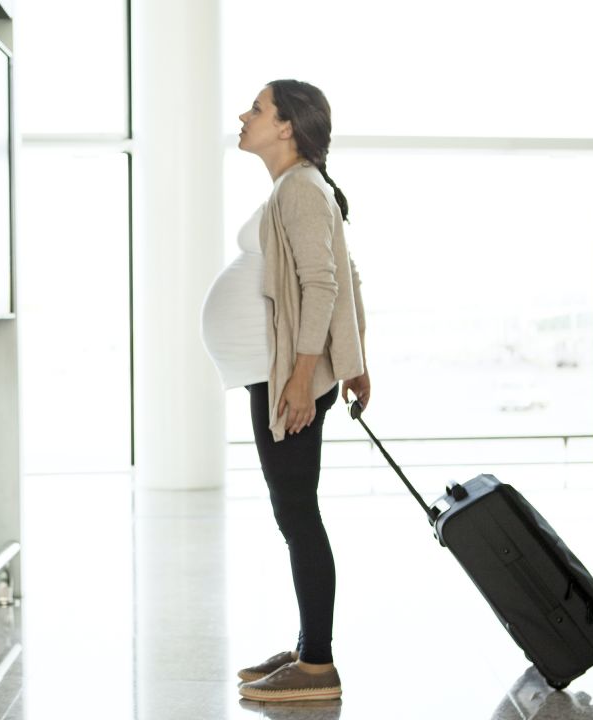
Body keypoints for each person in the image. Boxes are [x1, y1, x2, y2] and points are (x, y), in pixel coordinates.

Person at [199, 79, 370, 703]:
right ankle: (307, 645)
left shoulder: (298, 188)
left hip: (286, 378)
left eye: (257, 108)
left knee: (298, 515)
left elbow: (324, 285)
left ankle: (317, 664)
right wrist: (354, 362)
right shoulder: (295, 188)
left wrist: (302, 379)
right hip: (278, 373)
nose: (244, 115)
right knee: (294, 513)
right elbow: (346, 273)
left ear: (286, 127)